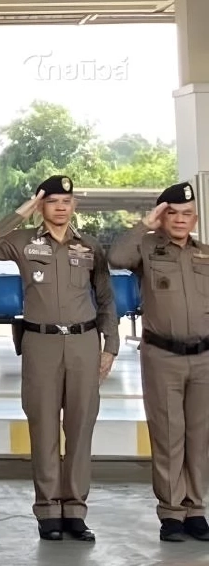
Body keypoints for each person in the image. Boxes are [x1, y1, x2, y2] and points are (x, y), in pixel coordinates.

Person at [0, 175, 118, 542]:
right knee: (43, 428)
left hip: (84, 342)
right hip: (41, 344)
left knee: (81, 426)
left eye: (65, 202)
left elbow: (106, 298)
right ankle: (47, 510)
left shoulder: (88, 247)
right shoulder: (24, 242)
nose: (60, 207)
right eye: (51, 201)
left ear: (73, 206)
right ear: (42, 206)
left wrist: (111, 345)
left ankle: (75, 510)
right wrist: (23, 209)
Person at [108, 182, 209, 542]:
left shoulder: (205, 254)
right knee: (168, 435)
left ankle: (195, 508)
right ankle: (171, 513)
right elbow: (116, 258)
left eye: (186, 214)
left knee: (199, 438)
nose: (180, 220)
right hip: (162, 355)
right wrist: (144, 224)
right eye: (172, 213)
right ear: (162, 217)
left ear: (194, 218)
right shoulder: (148, 248)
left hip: (203, 358)